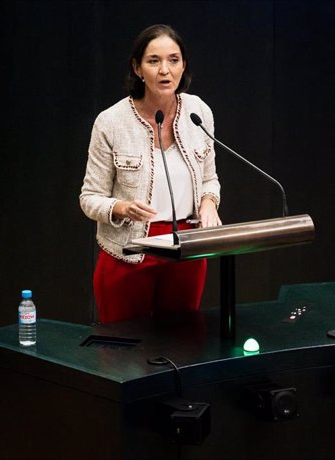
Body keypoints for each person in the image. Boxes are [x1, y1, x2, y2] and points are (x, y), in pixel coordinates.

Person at [80, 24, 222, 324]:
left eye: (173, 60)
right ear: (137, 68)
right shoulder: (111, 122)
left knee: (182, 348)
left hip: (187, 249)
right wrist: (121, 207)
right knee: (124, 357)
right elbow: (89, 198)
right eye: (153, 61)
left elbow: (210, 178)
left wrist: (209, 202)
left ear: (184, 65)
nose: (164, 70)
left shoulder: (199, 112)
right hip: (129, 251)